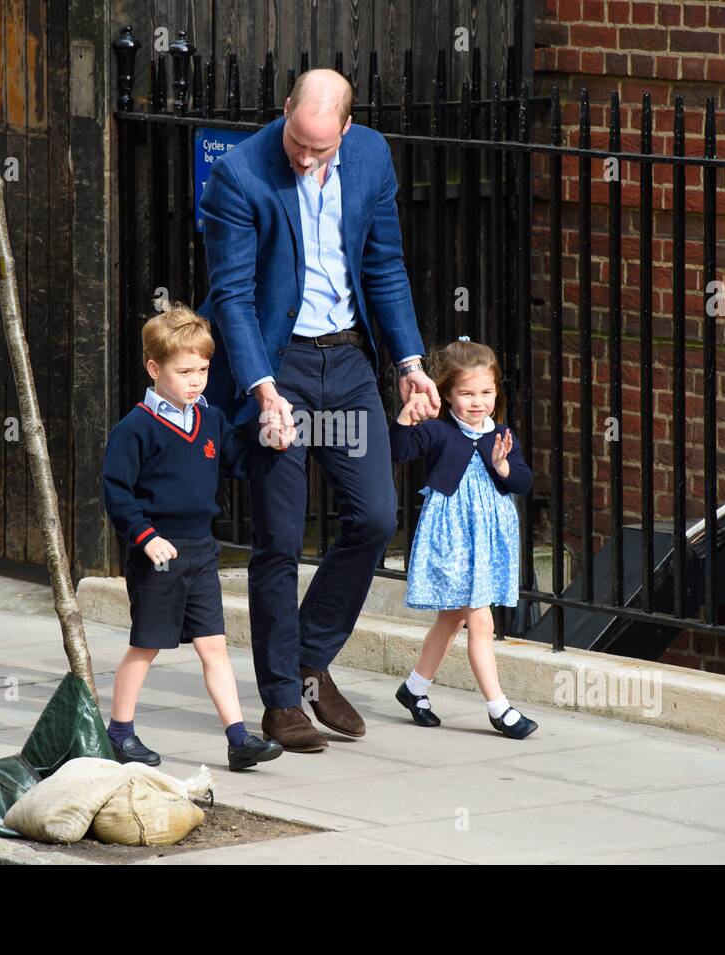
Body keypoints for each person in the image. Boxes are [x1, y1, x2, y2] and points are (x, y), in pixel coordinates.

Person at [196, 68, 440, 752]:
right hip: (282, 366)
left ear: (347, 131)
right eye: (298, 143)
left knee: (376, 515)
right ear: (285, 114)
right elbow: (234, 298)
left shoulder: (370, 157)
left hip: (348, 358)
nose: (305, 158)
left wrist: (410, 364)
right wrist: (263, 390)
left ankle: (309, 659)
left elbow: (385, 265)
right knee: (278, 536)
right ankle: (279, 701)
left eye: (320, 149)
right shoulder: (241, 177)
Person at [101, 306, 284, 772]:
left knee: (213, 646)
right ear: (154, 369)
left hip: (202, 551)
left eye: (203, 370)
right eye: (184, 371)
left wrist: (270, 439)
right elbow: (116, 492)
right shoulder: (136, 428)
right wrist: (145, 537)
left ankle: (238, 738)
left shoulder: (212, 419)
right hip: (158, 554)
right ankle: (119, 734)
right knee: (146, 645)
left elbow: (239, 462)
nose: (196, 380)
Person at [389, 337, 539, 739]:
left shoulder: (501, 435)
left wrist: (504, 466)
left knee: (452, 619)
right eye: (467, 393)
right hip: (453, 537)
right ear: (448, 394)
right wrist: (406, 418)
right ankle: (499, 709)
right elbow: (400, 451)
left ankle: (415, 689)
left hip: (488, 541)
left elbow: (524, 483)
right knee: (480, 621)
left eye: (486, 392)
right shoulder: (439, 432)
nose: (477, 401)